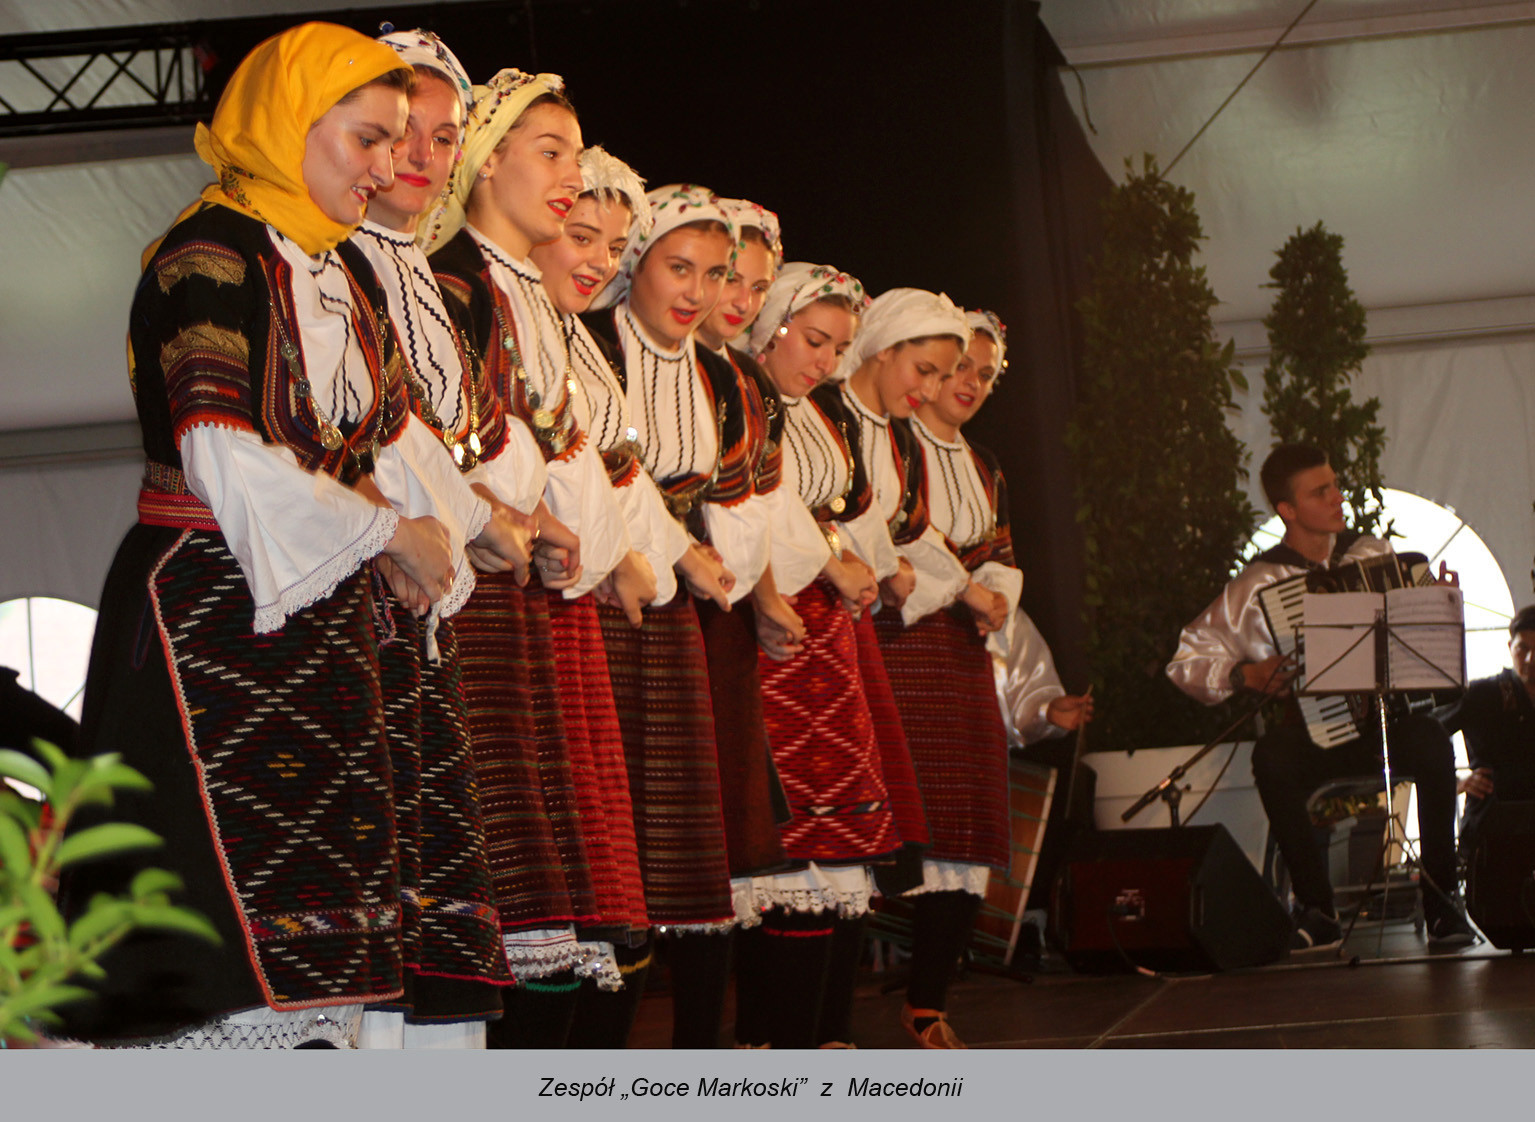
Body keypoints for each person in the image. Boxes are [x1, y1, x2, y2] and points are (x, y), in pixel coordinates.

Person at [57, 23, 513, 1048]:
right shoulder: (207, 259)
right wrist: (390, 534)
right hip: (212, 612)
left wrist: (442, 534)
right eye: (366, 139)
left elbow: (389, 433)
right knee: (225, 924)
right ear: (286, 123)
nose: (387, 166)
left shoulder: (335, 269)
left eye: (396, 141)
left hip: (324, 620)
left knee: (341, 912)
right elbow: (224, 454)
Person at [428, 66, 650, 1046]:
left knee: (558, 883)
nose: (569, 176)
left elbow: (562, 462)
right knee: (513, 881)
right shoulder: (457, 284)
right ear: (486, 162)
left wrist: (581, 533)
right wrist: (523, 510)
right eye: (550, 152)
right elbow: (452, 444)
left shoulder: (520, 296)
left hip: (534, 589)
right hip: (479, 595)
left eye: (574, 155)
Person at [351, 28, 540, 1048]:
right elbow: (369, 431)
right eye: (398, 133)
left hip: (430, 586)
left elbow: (446, 431)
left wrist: (487, 517)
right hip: (369, 581)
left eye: (442, 136)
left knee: (438, 854)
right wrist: (465, 521)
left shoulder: (418, 271)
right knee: (385, 859)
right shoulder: (338, 259)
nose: (420, 157)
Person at [582, 184, 789, 1047]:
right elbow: (591, 468)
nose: (699, 293)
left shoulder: (718, 375)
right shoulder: (594, 346)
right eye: (680, 268)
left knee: (687, 836)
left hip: (677, 617)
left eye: (714, 274)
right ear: (635, 263)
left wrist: (733, 574)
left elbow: (739, 496)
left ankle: (696, 1057)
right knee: (609, 836)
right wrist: (674, 551)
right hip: (600, 595)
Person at [1167, 442, 1474, 950]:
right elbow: (1184, 661)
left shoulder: (1373, 553)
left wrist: (1438, 606)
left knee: (1432, 741)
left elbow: (1416, 647)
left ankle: (1442, 902)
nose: (1337, 497)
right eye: (1320, 492)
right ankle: (1317, 908)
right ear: (1287, 510)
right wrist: (1244, 673)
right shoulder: (1257, 584)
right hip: (1316, 732)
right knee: (1272, 758)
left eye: (1334, 485)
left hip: (1387, 726)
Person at [728, 261, 920, 1048]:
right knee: (786, 847)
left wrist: (855, 558)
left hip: (825, 636)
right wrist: (832, 559)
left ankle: (818, 1039)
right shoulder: (746, 398)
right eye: (813, 340)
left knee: (836, 846)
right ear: (771, 327)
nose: (824, 361)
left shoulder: (814, 413)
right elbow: (756, 503)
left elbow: (838, 508)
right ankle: (772, 1041)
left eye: (838, 347)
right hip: (772, 628)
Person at [868, 301, 1017, 1048]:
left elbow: (1001, 549)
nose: (970, 384)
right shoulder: (892, 444)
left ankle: (927, 1001)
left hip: (961, 654)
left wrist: (995, 597)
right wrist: (965, 590)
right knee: (898, 822)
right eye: (959, 367)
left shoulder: (985, 464)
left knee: (968, 824)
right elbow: (897, 534)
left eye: (985, 375)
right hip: (900, 642)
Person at [1438, 605, 1535, 856]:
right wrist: (1457, 782)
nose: (1530, 660)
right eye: (1523, 648)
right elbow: (1426, 735)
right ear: (1510, 647)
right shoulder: (1484, 694)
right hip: (1491, 832)